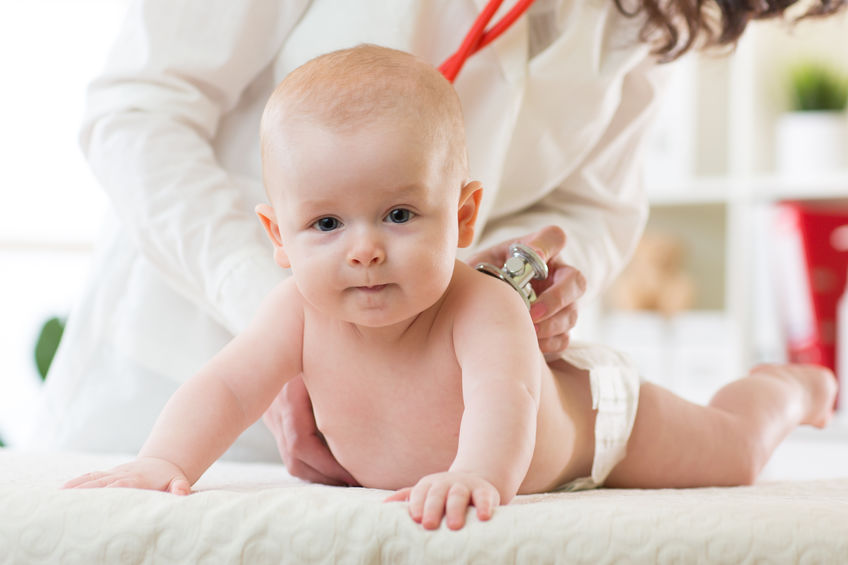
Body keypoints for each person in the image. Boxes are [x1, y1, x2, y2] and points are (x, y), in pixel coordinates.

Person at [25, 0, 845, 486]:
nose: (364, 246)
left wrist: (554, 275)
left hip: (520, 389)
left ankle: (786, 389)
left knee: (729, 451)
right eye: (324, 225)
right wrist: (290, 313)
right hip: (168, 352)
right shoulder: (286, 314)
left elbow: (596, 204)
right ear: (283, 235)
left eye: (393, 219)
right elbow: (140, 109)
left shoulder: (652, 14)